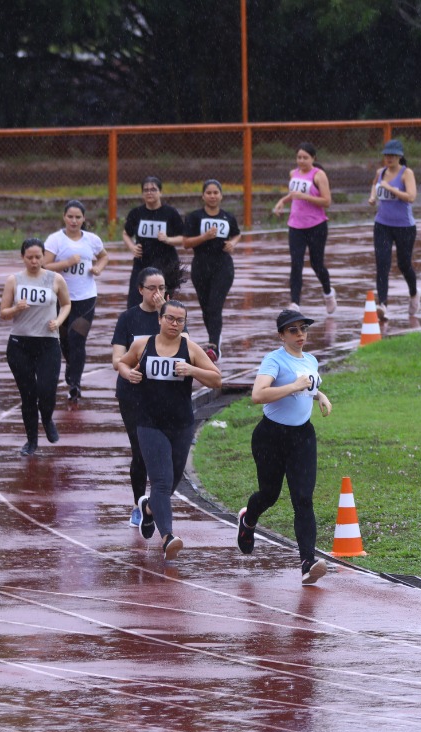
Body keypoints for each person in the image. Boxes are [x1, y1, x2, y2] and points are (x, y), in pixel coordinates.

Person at [235, 309, 334, 585]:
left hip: (302, 437)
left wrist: (321, 396)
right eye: (293, 330)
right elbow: (258, 395)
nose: (300, 335)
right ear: (281, 335)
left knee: (303, 499)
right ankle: (248, 520)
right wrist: (292, 386)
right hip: (270, 436)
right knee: (269, 494)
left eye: (303, 329)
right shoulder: (273, 360)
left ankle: (307, 562)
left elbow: (308, 388)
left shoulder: (311, 359)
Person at [117, 299, 221, 560]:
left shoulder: (190, 348)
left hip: (181, 423)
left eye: (180, 320)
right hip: (149, 423)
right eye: (170, 318)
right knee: (161, 482)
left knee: (173, 480)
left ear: (185, 323)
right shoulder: (143, 345)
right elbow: (121, 362)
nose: (174, 323)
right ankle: (168, 537)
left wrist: (193, 370)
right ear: (160, 319)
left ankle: (149, 509)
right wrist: (128, 374)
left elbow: (217, 379)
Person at [0, 238, 71, 456]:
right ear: (23, 257)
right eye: (29, 257)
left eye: (38, 257)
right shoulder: (14, 280)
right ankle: (31, 441)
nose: (34, 261)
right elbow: (3, 312)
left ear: (43, 257)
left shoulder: (55, 279)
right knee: (28, 395)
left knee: (47, 390)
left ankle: (47, 418)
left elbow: (67, 304)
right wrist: (15, 309)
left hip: (48, 343)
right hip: (20, 344)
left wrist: (58, 321)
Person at [111, 268, 170, 532]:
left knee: (163, 452)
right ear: (140, 290)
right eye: (152, 288)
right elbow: (117, 359)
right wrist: (128, 371)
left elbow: (186, 346)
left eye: (162, 287)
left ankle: (154, 502)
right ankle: (138, 504)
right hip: (133, 393)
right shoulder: (128, 318)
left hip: (164, 395)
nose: (157, 293)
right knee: (140, 451)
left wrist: (164, 312)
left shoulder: (172, 316)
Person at [168, 179, 242, 361]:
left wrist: (233, 243)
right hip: (201, 266)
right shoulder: (195, 217)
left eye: (216, 193)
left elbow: (237, 233)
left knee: (215, 306)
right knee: (206, 307)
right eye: (209, 193)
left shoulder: (227, 217)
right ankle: (215, 339)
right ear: (203, 196)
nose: (212, 196)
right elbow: (186, 243)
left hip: (223, 266)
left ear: (221, 195)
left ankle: (214, 347)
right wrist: (205, 236)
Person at [43, 200, 109, 401]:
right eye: (70, 217)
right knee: (64, 342)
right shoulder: (55, 240)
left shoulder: (91, 239)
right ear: (64, 217)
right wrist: (66, 263)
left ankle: (75, 384)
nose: (73, 221)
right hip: (60, 299)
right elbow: (45, 265)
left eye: (77, 217)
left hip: (85, 298)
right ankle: (71, 371)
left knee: (77, 340)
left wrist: (98, 268)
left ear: (83, 219)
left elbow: (104, 256)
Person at [273, 142, 336, 315]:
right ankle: (295, 303)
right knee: (296, 264)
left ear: (313, 158)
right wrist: (282, 202)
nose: (301, 161)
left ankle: (328, 292)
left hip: (316, 225)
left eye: (305, 158)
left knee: (317, 264)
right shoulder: (293, 173)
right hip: (295, 226)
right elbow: (294, 194)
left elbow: (327, 201)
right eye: (299, 157)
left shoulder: (319, 175)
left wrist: (305, 196)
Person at [368, 138, 419, 320]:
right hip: (382, 224)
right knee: (382, 263)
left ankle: (413, 293)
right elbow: (375, 185)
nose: (388, 158)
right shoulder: (380, 172)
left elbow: (411, 197)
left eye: (392, 155)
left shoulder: (407, 173)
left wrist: (392, 189)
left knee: (404, 264)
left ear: (399, 157)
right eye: (386, 155)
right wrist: (373, 197)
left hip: (404, 226)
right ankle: (383, 304)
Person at [121, 176, 185, 309]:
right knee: (134, 302)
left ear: (160, 192)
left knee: (160, 302)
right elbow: (126, 233)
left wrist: (168, 239)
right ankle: (136, 329)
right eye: (146, 190)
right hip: (142, 262)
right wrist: (132, 247)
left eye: (153, 189)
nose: (149, 192)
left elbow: (184, 238)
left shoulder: (170, 213)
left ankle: (160, 327)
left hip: (165, 263)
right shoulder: (136, 213)